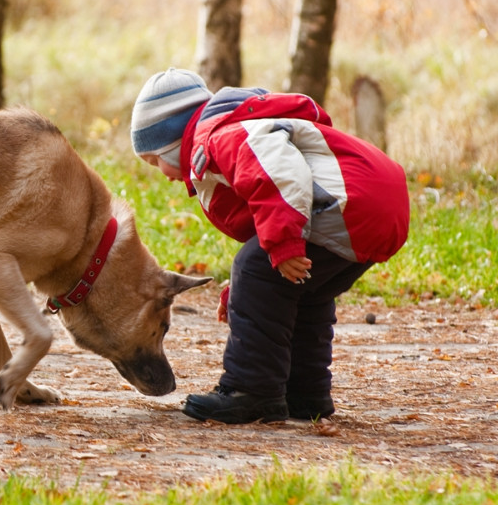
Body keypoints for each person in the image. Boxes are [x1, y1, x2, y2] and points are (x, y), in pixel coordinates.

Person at [130, 68, 410, 424]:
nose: (161, 173)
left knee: (255, 268)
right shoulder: (233, 134)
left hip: (348, 203)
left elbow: (276, 173)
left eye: (155, 160)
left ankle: (251, 390)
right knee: (300, 290)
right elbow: (265, 220)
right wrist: (247, 290)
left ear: (173, 138)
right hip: (374, 208)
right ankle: (306, 394)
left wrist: (283, 245)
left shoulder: (222, 136)